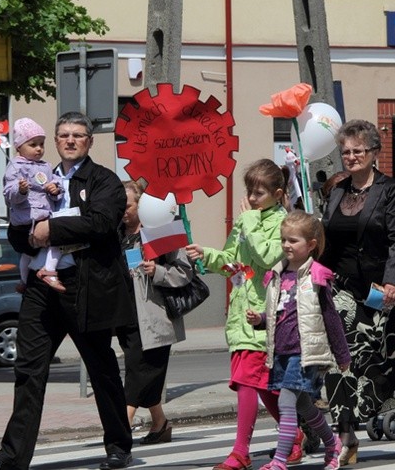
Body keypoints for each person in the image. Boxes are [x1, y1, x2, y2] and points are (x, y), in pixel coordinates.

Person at [0, 112, 135, 470]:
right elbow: (19, 225)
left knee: (102, 368)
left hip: (86, 288)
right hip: (41, 288)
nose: (70, 141)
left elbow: (100, 222)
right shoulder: (38, 174)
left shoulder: (104, 180)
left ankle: (118, 445)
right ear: (55, 139)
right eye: (63, 135)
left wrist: (51, 230)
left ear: (89, 141)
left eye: (78, 135)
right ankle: (12, 456)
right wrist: (30, 234)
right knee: (29, 370)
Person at [185, 158, 303, 470]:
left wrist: (248, 221)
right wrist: (207, 255)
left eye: (258, 193)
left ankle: (240, 452)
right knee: (262, 385)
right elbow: (233, 264)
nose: (251, 198)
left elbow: (265, 257)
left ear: (278, 194)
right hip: (242, 313)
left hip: (267, 315)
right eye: (249, 191)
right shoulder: (246, 220)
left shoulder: (284, 224)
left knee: (247, 382)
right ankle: (294, 434)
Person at [320, 119, 395, 465]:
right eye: (345, 151)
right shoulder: (337, 191)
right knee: (340, 360)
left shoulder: (392, 189)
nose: (350, 157)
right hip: (345, 290)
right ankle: (346, 437)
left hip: (384, 289)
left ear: (374, 153)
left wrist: (394, 281)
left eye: (358, 151)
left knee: (393, 359)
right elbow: (328, 242)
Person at [246, 211, 350, 470]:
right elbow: (277, 313)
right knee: (303, 403)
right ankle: (332, 442)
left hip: (304, 353)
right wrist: (259, 319)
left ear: (311, 245)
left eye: (293, 240)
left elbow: (330, 317)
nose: (286, 245)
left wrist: (342, 354)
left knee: (286, 402)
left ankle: (279, 460)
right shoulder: (277, 275)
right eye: (283, 240)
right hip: (281, 350)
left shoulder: (317, 276)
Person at [116, 179, 193, 443]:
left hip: (154, 315)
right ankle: (160, 424)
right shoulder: (117, 234)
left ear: (141, 205)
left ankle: (121, 429)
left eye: (127, 205)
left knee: (141, 371)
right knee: (142, 369)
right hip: (124, 315)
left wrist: (157, 271)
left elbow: (184, 271)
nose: (123, 211)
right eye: (120, 206)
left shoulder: (160, 231)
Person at [2, 117, 65, 293]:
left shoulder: (46, 166)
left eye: (41, 144)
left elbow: (56, 184)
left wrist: (55, 189)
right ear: (19, 147)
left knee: (30, 253)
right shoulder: (15, 166)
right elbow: (9, 194)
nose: (39, 149)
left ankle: (27, 279)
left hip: (43, 215)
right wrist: (20, 190)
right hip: (26, 218)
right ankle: (47, 271)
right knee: (55, 242)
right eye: (33, 144)